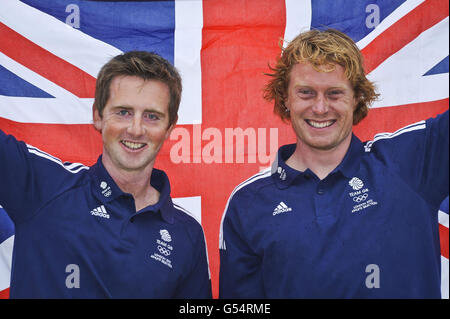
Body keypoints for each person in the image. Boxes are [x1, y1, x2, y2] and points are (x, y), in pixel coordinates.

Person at [219, 29, 448, 298]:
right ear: (285, 98)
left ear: (357, 97)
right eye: (306, 93)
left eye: (334, 93)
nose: (320, 108)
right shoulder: (247, 203)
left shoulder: (411, 161)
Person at [0, 51, 212, 298]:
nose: (136, 129)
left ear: (169, 128)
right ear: (97, 116)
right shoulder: (42, 184)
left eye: (152, 116)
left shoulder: (187, 233)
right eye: (123, 112)